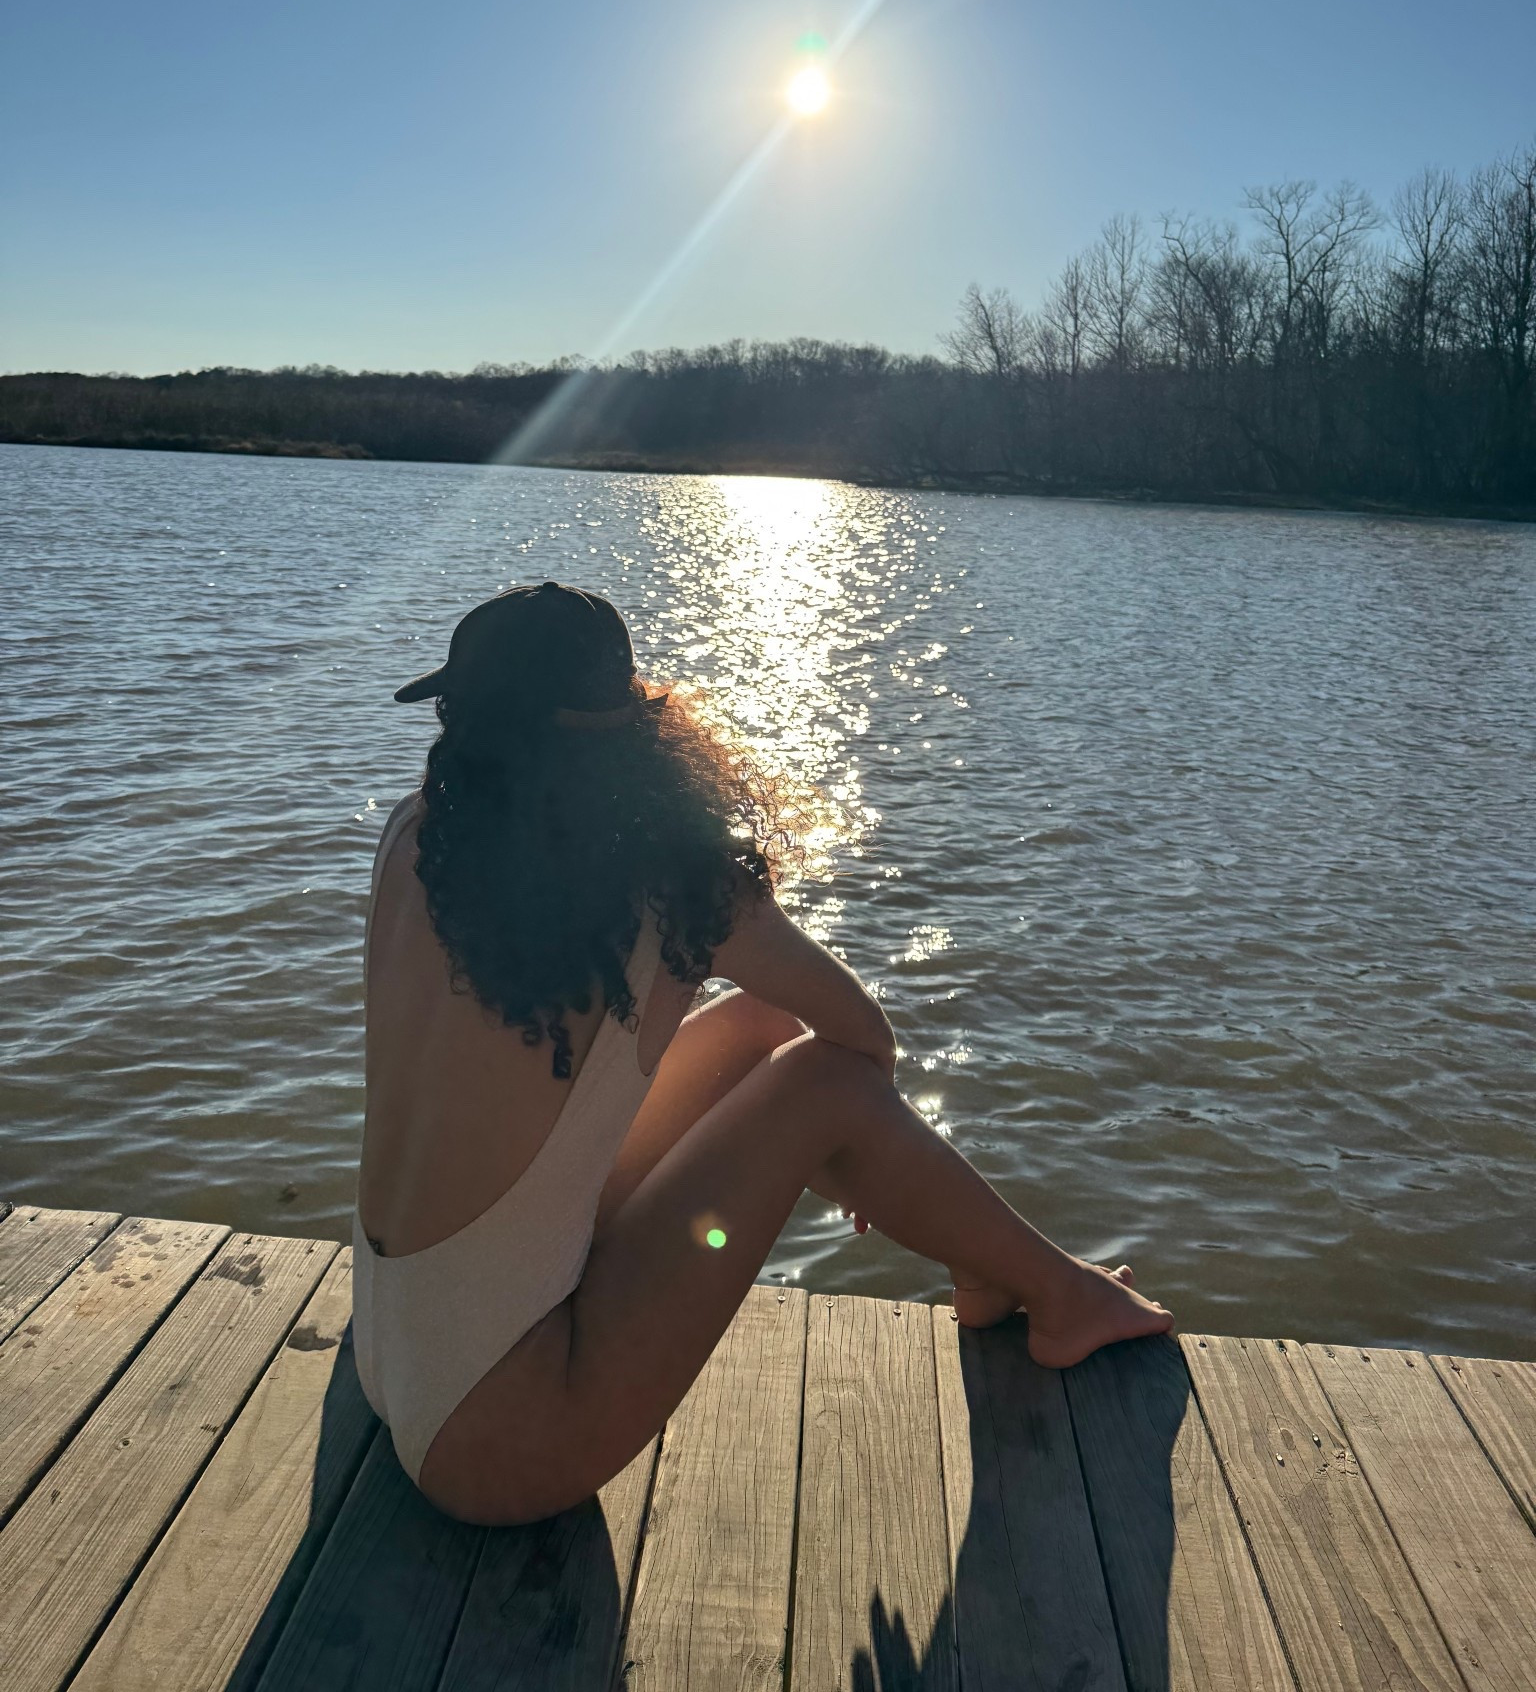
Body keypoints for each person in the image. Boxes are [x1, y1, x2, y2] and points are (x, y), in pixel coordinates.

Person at [353, 581, 1172, 1525]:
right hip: (501, 1444)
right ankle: (1056, 1294)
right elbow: (863, 1037)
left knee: (758, 1028)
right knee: (826, 1082)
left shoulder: (417, 836)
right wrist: (857, 1168)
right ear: (630, 728)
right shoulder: (665, 876)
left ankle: (987, 1268)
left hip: (390, 1352)